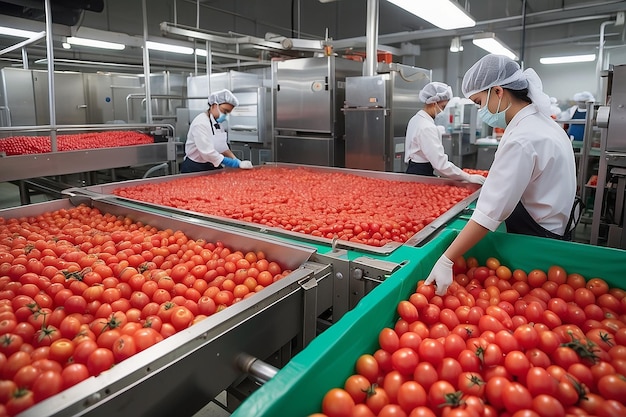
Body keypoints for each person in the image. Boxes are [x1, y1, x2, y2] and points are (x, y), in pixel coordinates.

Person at [425, 54, 578, 296]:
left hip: (537, 237)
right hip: (554, 228)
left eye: (478, 102)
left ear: (498, 92)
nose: (479, 110)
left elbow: (490, 212)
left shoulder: (524, 137)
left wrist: (447, 259)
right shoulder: (542, 123)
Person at [404, 81, 486, 184]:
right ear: (433, 103)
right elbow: (440, 164)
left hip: (413, 170)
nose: (443, 111)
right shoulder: (427, 127)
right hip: (421, 174)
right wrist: (467, 177)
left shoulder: (415, 119)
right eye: (443, 107)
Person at [180, 89, 253, 173]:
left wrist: (237, 160)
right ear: (214, 106)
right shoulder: (200, 124)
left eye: (228, 113)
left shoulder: (216, 123)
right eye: (224, 111)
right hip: (194, 167)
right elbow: (208, 153)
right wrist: (233, 163)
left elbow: (222, 147)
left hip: (210, 164)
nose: (225, 116)